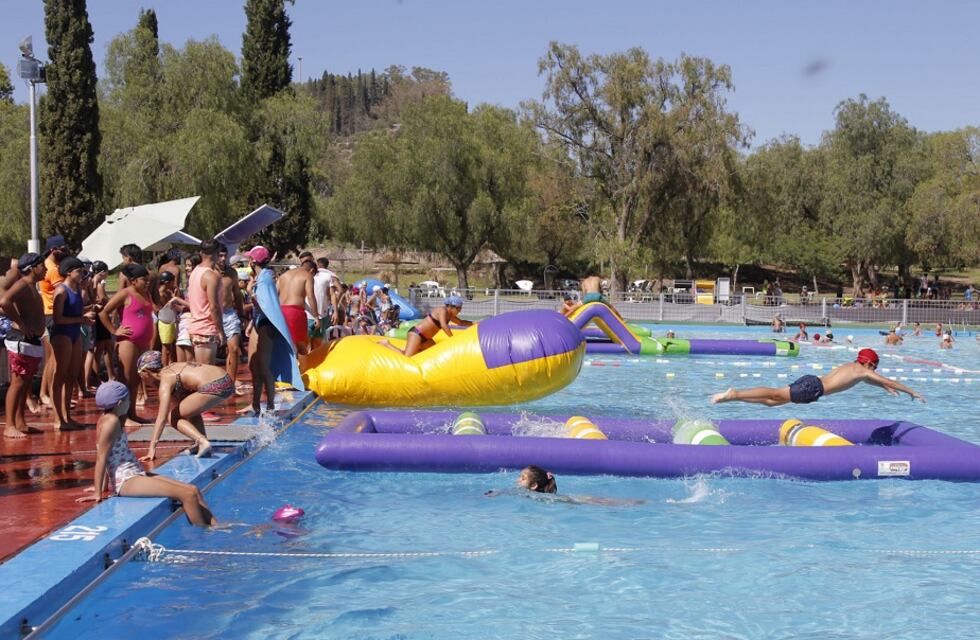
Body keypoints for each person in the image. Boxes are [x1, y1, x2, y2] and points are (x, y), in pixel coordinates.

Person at [76, 381, 218, 527]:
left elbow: (108, 455)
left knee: (193, 489)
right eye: (128, 399)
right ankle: (205, 534)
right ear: (119, 403)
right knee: (187, 494)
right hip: (126, 481)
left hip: (134, 473)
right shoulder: (110, 423)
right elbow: (101, 458)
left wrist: (103, 487)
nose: (130, 402)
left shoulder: (113, 418)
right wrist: (98, 492)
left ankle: (217, 526)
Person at [710, 348, 926, 406]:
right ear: (870, 363)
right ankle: (735, 393)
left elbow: (873, 381)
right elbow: (884, 380)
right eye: (875, 367)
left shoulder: (854, 368)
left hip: (813, 383)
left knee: (771, 403)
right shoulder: (863, 371)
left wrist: (885, 388)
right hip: (813, 389)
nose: (875, 371)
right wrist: (912, 391)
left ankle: (735, 397)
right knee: (775, 394)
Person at [138, 350, 234, 460]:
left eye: (140, 375)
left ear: (145, 371)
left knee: (172, 417)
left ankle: (202, 441)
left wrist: (152, 449)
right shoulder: (173, 366)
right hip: (226, 379)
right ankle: (201, 444)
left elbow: (162, 417)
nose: (142, 380)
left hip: (214, 385)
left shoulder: (165, 380)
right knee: (190, 411)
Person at [99, 263, 155, 426]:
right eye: (144, 280)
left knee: (137, 378)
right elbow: (103, 312)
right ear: (133, 281)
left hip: (143, 342)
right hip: (128, 341)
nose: (147, 283)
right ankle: (123, 416)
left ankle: (132, 413)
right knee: (126, 378)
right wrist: (114, 330)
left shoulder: (147, 294)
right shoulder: (125, 294)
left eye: (148, 280)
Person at [1, 253, 48, 438]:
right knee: (17, 383)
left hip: (32, 340)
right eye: (42, 265)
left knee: (26, 383)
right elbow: (4, 302)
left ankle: (20, 422)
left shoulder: (31, 286)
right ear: (31, 268)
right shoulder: (21, 284)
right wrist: (20, 323)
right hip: (20, 339)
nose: (44, 268)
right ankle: (9, 425)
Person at [50, 257, 97, 430]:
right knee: (60, 374)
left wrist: (88, 312)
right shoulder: (61, 291)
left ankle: (67, 416)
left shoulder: (77, 288)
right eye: (79, 271)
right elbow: (58, 318)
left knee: (72, 374)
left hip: (75, 331)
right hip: (62, 334)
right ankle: (58, 418)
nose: (82, 274)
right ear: (69, 272)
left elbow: (75, 310)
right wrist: (82, 318)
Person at [244, 246, 278, 416]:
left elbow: (264, 305)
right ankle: (256, 404)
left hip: (266, 324)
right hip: (260, 323)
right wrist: (251, 323)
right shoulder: (262, 276)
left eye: (249, 258)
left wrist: (250, 292)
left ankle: (271, 405)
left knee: (264, 366)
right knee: (256, 365)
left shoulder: (265, 279)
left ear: (253, 261)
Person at [382, 295, 473, 357]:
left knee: (434, 354)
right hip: (417, 334)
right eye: (458, 308)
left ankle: (417, 349)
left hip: (426, 339)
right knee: (407, 356)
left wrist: (474, 324)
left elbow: (461, 322)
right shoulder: (442, 310)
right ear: (451, 306)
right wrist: (452, 339)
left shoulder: (449, 315)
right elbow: (443, 325)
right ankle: (386, 344)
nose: (460, 311)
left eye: (460, 308)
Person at [38, 235, 68, 407]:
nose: (64, 252)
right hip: (51, 314)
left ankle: (46, 392)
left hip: (50, 313)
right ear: (53, 250)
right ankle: (46, 393)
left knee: (51, 357)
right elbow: (62, 291)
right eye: (61, 249)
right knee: (53, 358)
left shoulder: (52, 266)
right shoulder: (53, 269)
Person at [187, 240, 225, 364]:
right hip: (206, 328)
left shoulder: (195, 271)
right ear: (217, 253)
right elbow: (214, 307)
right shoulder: (211, 276)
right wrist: (221, 331)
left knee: (200, 372)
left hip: (196, 326)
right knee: (206, 374)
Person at [217, 249, 246, 393]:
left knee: (234, 348)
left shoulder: (232, 273)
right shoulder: (208, 273)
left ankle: (230, 383)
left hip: (229, 314)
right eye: (220, 256)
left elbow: (237, 294)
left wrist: (241, 314)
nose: (223, 259)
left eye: (225, 256)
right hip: (212, 315)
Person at [277, 258, 318, 353]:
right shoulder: (307, 276)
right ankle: (304, 367)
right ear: (312, 270)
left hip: (280, 310)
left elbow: (275, 294)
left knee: (283, 343)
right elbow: (311, 296)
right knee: (301, 345)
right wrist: (316, 316)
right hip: (295, 312)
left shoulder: (283, 275)